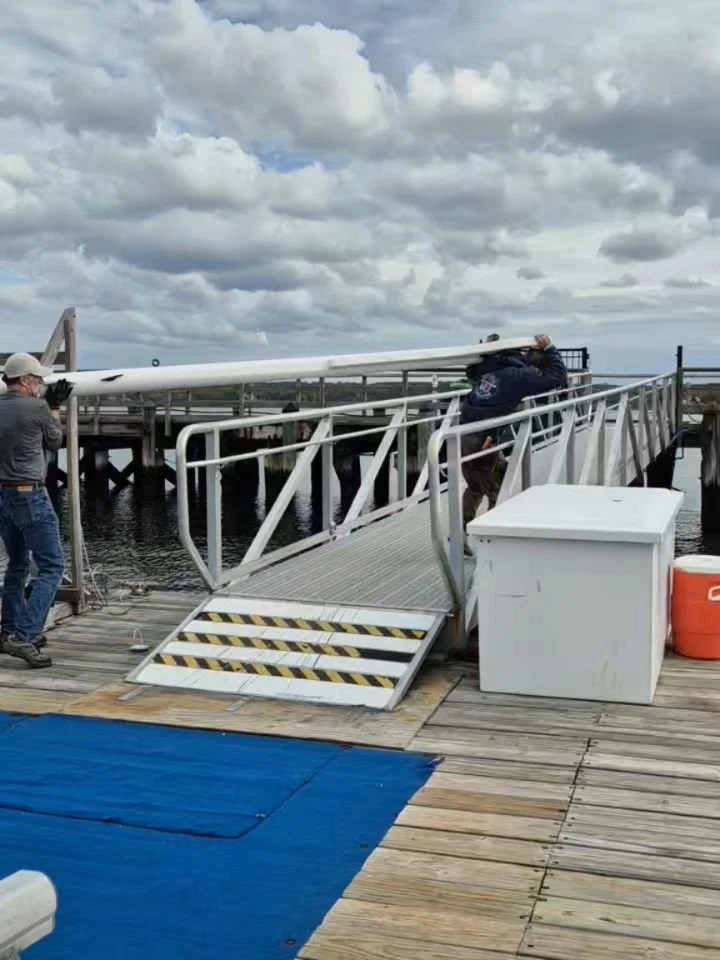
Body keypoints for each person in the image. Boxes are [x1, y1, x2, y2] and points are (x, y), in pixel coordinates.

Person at [0, 354, 73, 668]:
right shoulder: (38, 407)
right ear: (25, 380)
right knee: (52, 567)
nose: (42, 384)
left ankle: (7, 631)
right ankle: (24, 635)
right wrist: (54, 406)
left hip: (2, 495)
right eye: (39, 380)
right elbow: (55, 441)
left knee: (16, 563)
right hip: (29, 493)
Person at [460, 334, 568, 534]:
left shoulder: (494, 365)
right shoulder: (521, 376)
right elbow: (557, 378)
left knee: (476, 485)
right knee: (498, 488)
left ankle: (459, 532)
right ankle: (490, 535)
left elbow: (472, 371)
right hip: (482, 437)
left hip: (465, 430)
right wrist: (552, 350)